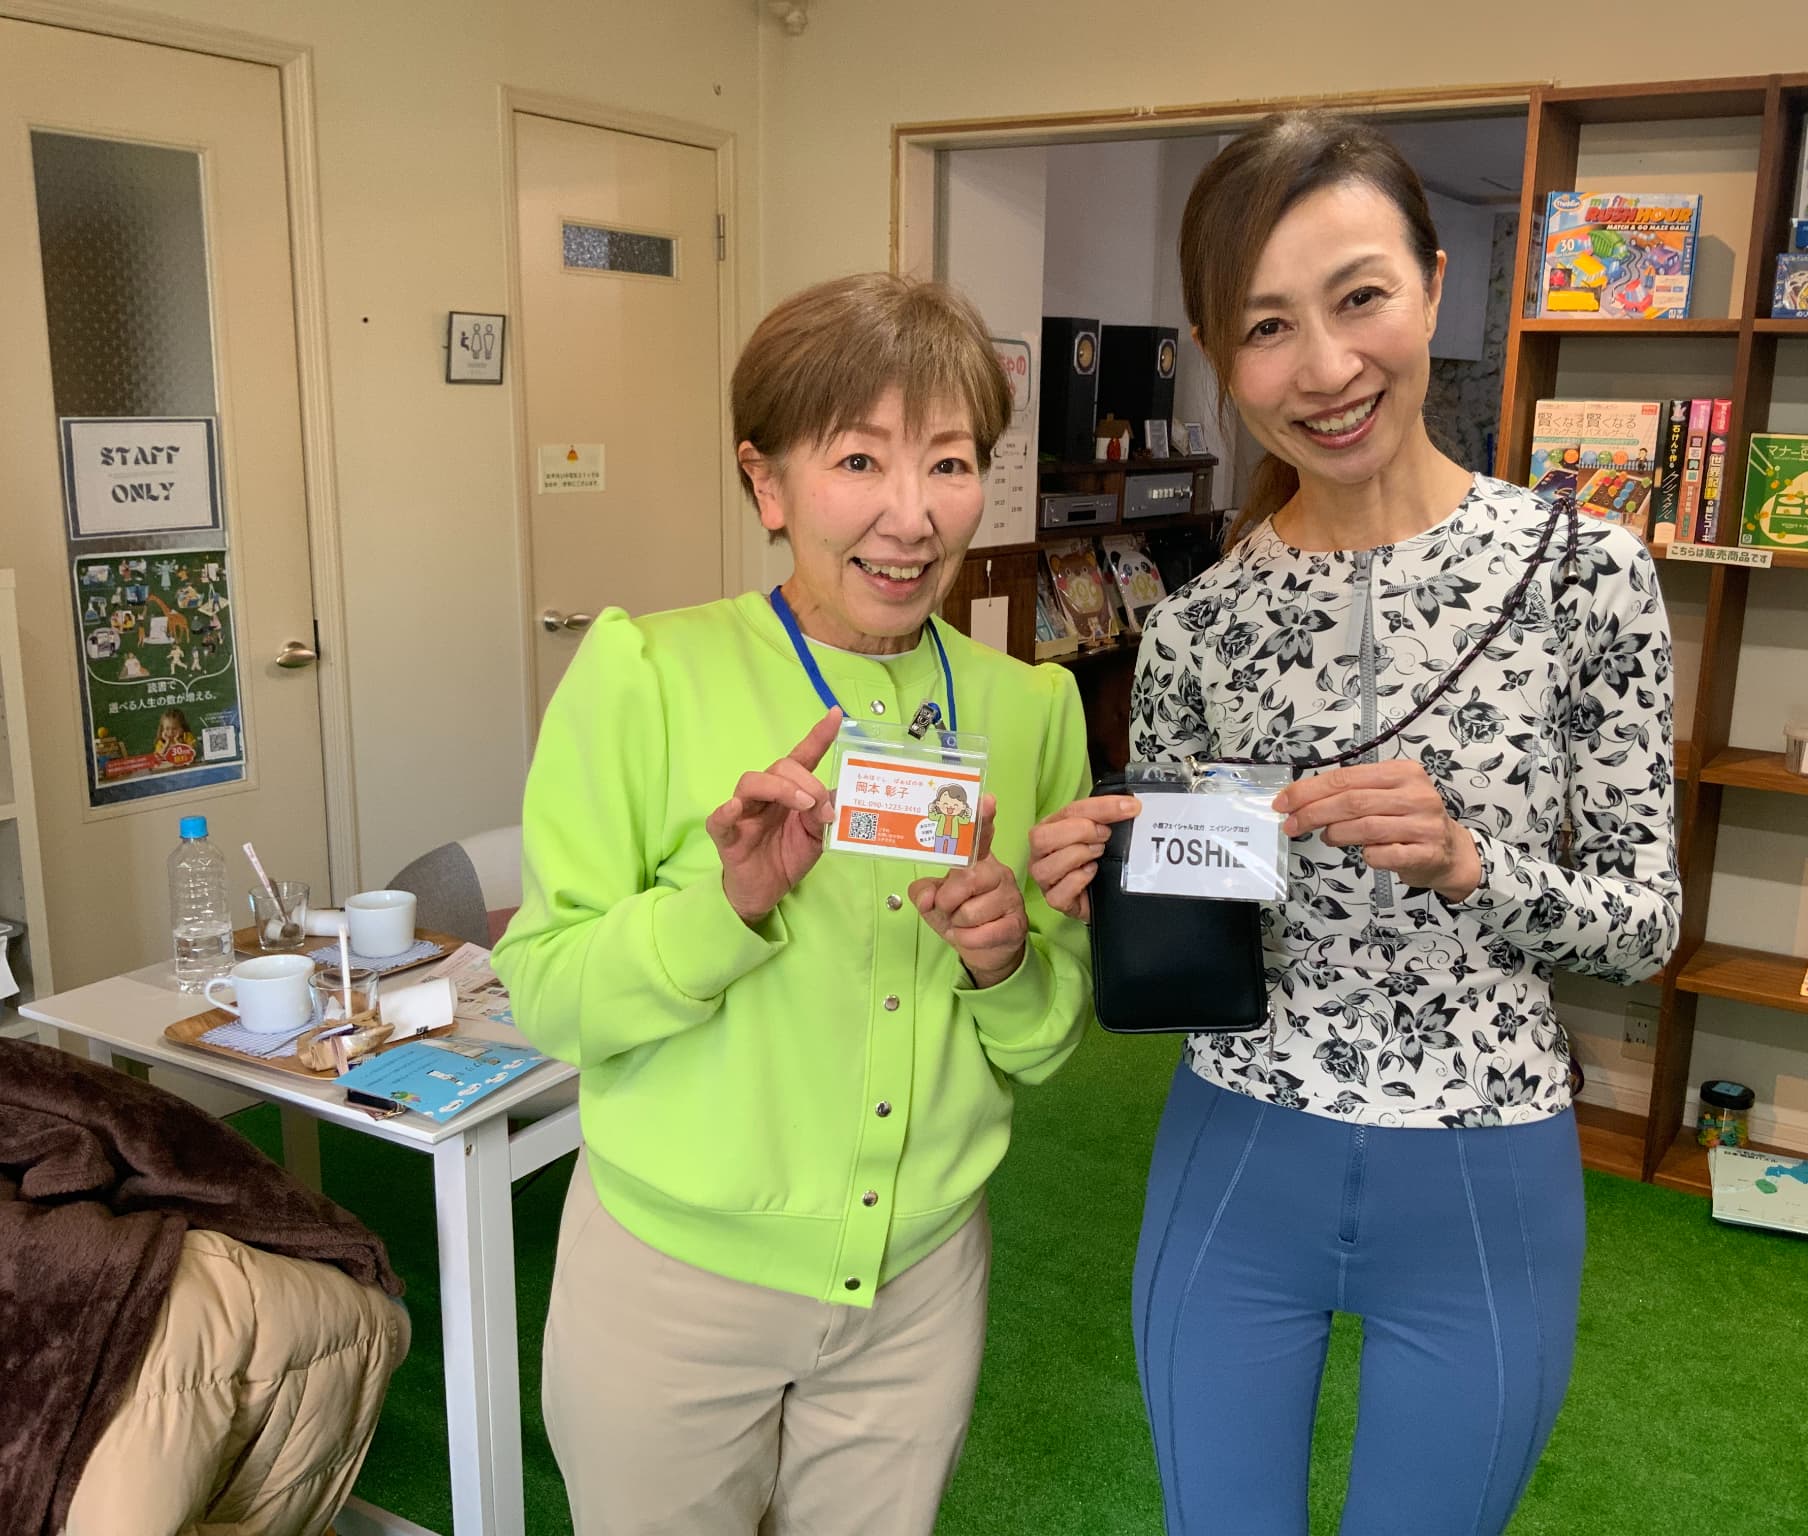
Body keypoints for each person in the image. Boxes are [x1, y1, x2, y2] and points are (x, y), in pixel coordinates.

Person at [1029, 112, 1680, 1536]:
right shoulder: (1196, 627)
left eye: (1359, 297)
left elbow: (1645, 925)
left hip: (1485, 1162)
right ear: (1219, 354)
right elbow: (1191, 941)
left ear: (1434, 288)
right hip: (1235, 1145)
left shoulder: (1587, 576)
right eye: (1266, 326)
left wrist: (1471, 862)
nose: (1323, 370)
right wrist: (1107, 889)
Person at [494, 273, 1095, 1536]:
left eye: (948, 463)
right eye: (858, 460)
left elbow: (1045, 1040)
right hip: (672, 1283)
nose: (909, 516)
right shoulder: (647, 673)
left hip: (919, 1286)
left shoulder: (1028, 709)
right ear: (766, 484)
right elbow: (548, 994)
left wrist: (1003, 964)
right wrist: (726, 907)